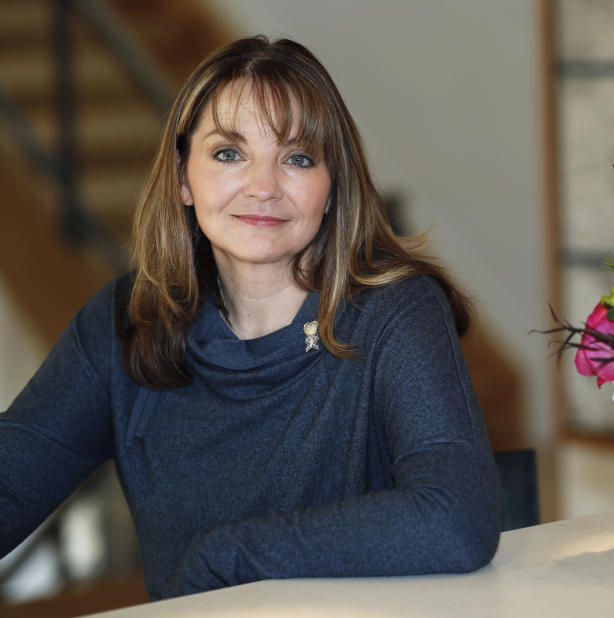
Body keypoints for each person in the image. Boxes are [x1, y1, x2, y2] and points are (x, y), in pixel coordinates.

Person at [0, 36, 500, 600]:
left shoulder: (394, 311)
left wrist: (227, 556)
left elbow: (455, 518)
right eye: (229, 153)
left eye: (297, 158)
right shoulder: (127, 322)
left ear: (332, 186)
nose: (263, 187)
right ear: (184, 178)